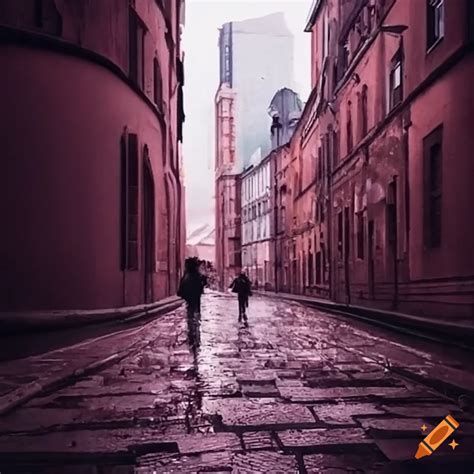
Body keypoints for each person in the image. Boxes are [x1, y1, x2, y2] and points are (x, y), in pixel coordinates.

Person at [178, 257, 205, 346]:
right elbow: (203, 283)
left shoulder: (187, 275)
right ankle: (194, 327)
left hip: (190, 297)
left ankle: (192, 328)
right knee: (195, 310)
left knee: (190, 311)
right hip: (196, 297)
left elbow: (182, 287)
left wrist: (181, 293)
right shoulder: (197, 275)